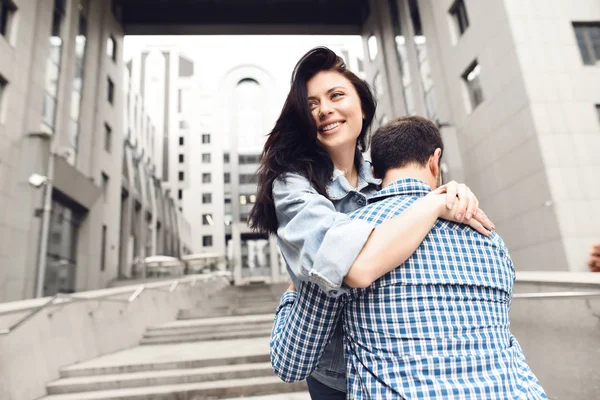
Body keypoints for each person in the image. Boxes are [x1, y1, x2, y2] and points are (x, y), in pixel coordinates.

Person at [249, 47, 494, 398]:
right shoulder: (292, 184)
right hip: (335, 372)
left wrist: (447, 192)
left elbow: (422, 206)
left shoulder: (383, 175)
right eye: (312, 104)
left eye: (336, 96)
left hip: (398, 361)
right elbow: (354, 266)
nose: (325, 110)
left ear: (362, 107)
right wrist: (432, 205)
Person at [272, 116, 547, 399]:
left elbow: (291, 362)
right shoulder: (488, 237)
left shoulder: (347, 243)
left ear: (375, 172)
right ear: (434, 160)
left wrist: (297, 284)